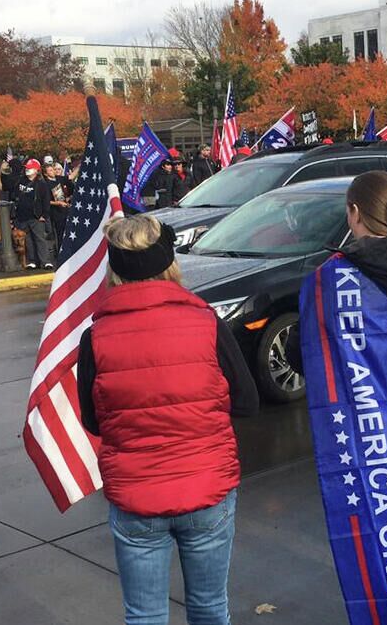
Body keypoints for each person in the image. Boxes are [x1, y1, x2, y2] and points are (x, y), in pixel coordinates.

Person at [76, 214, 258, 625]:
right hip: (207, 487)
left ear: (115, 269)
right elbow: (246, 401)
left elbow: (94, 420)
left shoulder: (96, 337)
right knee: (210, 608)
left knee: (144, 615)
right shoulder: (206, 322)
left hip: (137, 497)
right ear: (169, 262)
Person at [13, 159, 55, 270]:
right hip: (22, 216)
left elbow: (46, 200)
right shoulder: (21, 181)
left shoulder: (41, 184)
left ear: (37, 170)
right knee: (28, 240)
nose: (27, 170)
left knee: (40, 238)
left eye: (30, 168)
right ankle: (32, 261)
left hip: (36, 216)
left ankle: (45, 261)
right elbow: (14, 196)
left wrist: (44, 215)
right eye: (26, 168)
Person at [42, 162, 70, 247]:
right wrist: (58, 203)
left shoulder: (58, 178)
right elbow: (46, 201)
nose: (53, 172)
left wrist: (79, 165)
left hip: (65, 209)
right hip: (55, 212)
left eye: (53, 170)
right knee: (59, 234)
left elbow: (70, 177)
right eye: (50, 171)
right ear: (46, 173)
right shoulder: (45, 184)